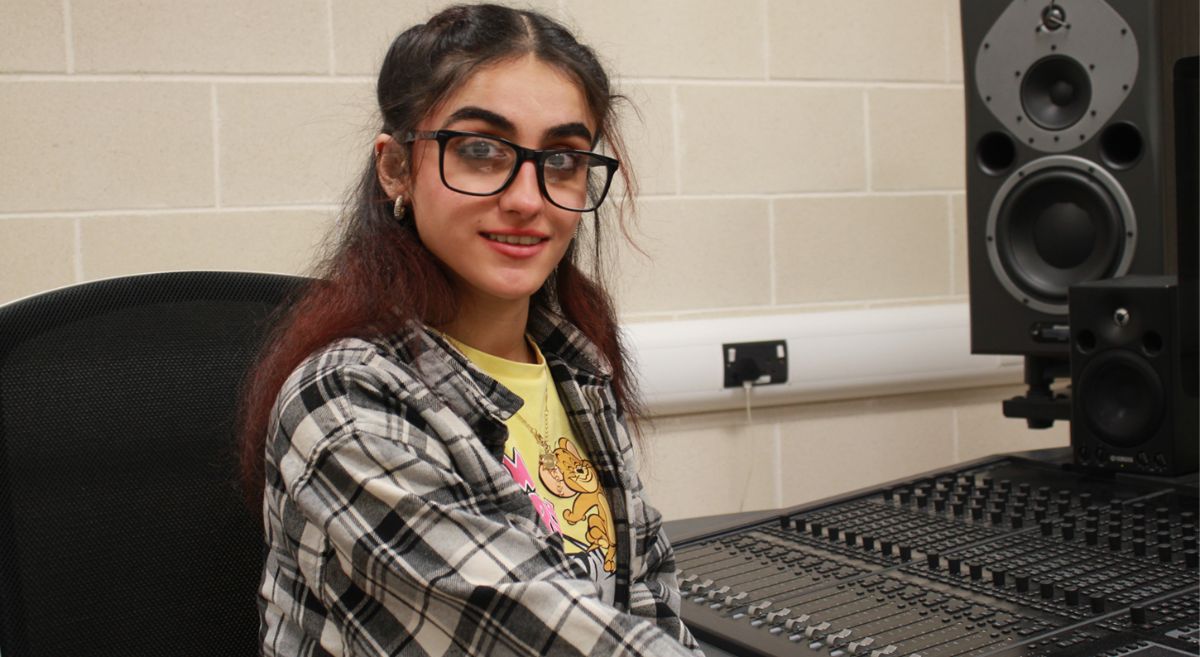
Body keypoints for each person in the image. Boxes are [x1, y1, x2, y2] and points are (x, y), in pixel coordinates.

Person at [238, 4, 703, 655]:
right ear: (396, 167)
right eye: (482, 151)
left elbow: (649, 601)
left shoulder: (579, 366)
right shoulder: (346, 403)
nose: (528, 197)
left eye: (564, 159)